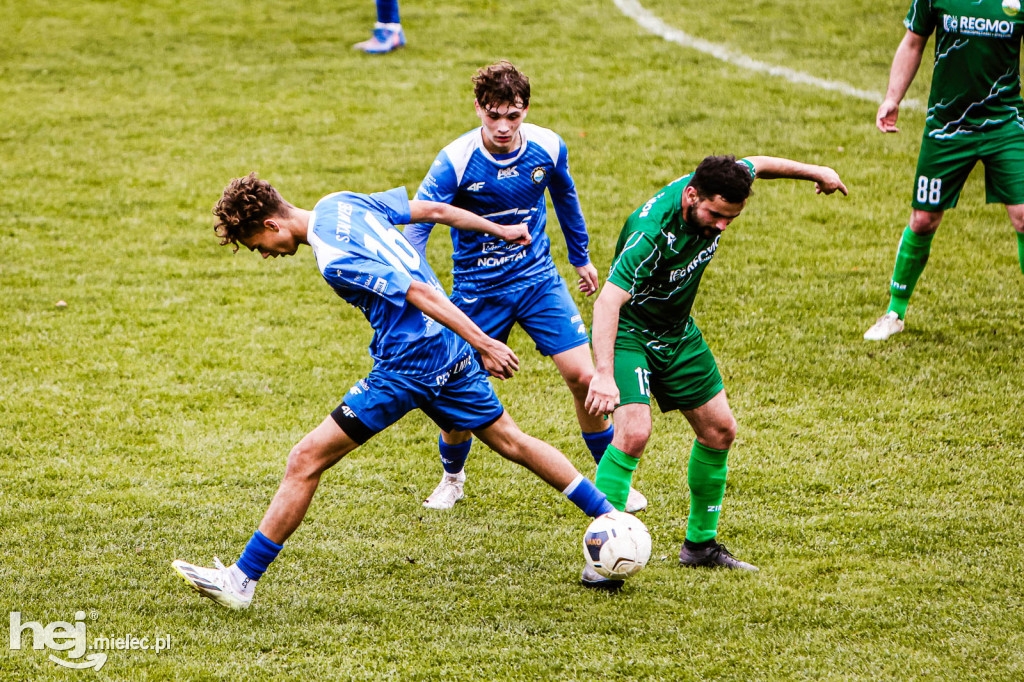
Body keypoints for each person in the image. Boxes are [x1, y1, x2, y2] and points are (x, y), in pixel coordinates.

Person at [172, 173, 614, 610]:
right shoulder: (339, 201)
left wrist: (485, 341)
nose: (265, 255)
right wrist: (498, 229)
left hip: (407, 366)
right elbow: (434, 210)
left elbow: (415, 290)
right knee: (512, 441)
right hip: (448, 349)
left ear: (272, 225)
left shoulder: (332, 257)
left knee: (305, 459)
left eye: (257, 246)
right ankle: (609, 515)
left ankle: (241, 579)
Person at [583, 155, 847, 588]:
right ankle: (601, 557)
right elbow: (608, 303)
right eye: (716, 215)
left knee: (720, 430)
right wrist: (604, 374)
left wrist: (817, 172)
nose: (722, 225)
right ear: (691, 196)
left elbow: (757, 162)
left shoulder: (718, 184)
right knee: (633, 432)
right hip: (631, 332)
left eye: (731, 218)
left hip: (677, 332)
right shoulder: (650, 234)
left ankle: (700, 547)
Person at [404, 60, 646, 513]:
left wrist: (580, 257)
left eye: (512, 116)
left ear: (525, 110)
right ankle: (452, 478)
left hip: (537, 281)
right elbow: (418, 225)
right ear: (478, 108)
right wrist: (417, 284)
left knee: (583, 377)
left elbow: (565, 196)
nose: (502, 126)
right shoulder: (455, 161)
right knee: (458, 385)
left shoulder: (547, 146)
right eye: (493, 115)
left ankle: (610, 480)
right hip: (478, 290)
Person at [864, 0, 1024, 341]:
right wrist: (893, 98)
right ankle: (895, 311)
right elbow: (913, 41)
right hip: (947, 128)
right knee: (923, 219)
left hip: (1006, 124)